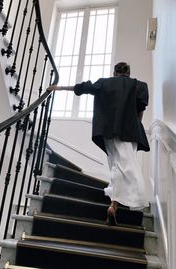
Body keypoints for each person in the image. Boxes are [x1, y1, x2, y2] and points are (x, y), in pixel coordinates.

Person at [47, 62, 150, 225]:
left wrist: (59, 88)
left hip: (108, 131)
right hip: (130, 131)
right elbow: (140, 111)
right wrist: (135, 130)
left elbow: (84, 88)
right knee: (128, 166)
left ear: (115, 72)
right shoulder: (140, 86)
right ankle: (118, 203)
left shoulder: (104, 82)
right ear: (129, 73)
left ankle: (114, 204)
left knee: (117, 165)